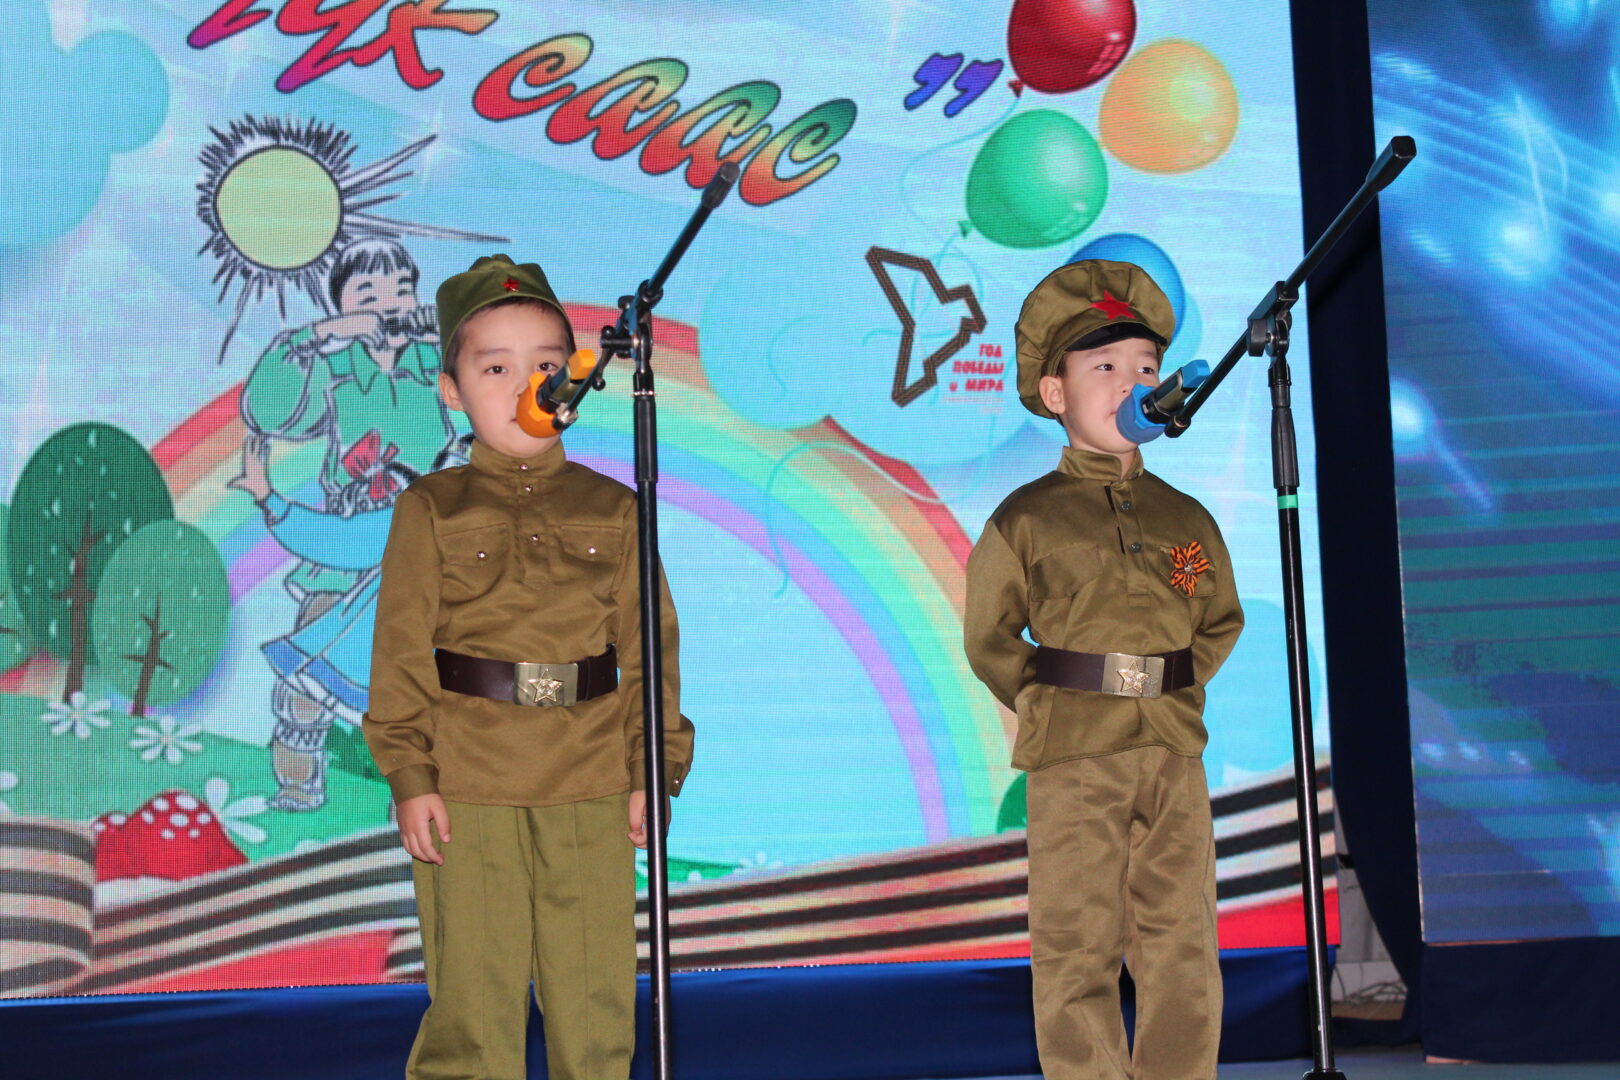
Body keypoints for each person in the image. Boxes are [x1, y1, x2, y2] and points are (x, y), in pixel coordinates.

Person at [362, 254, 695, 1080]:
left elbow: (650, 654)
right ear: (451, 390)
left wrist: (652, 770)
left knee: (593, 1001)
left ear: (574, 383)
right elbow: (399, 655)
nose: (525, 387)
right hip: (470, 782)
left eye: (546, 367)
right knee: (474, 1005)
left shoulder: (616, 508)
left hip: (588, 776)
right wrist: (411, 776)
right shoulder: (430, 509)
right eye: (496, 369)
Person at [963, 260, 1244, 1080]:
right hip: (1076, 753)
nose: (1132, 383)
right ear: (1055, 393)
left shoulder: (1185, 519)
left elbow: (1218, 617)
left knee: (1182, 940)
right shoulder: (1026, 518)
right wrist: (1054, 696)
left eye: (1147, 369)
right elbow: (988, 636)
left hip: (1172, 749)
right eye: (1107, 367)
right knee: (1078, 944)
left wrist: (1171, 683)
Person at [240, 238, 458, 809]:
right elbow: (268, 414)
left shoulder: (434, 366)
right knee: (306, 673)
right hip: (349, 547)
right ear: (341, 304)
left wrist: (452, 332)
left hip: (430, 558)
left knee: (430, 685)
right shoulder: (335, 369)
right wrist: (319, 335)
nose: (388, 303)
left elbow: (502, 396)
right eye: (369, 293)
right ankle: (297, 788)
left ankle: (419, 803)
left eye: (401, 290)